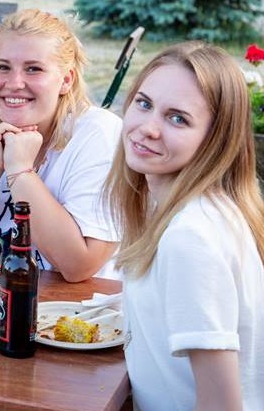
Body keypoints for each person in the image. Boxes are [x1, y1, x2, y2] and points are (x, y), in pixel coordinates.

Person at [106, 43, 264, 410]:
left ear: (215, 140)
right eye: (144, 103)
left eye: (178, 118)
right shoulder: (189, 209)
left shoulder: (189, 238)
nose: (148, 128)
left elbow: (221, 405)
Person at [0, 9, 122, 282]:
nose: (14, 83)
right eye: (2, 67)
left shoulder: (99, 135)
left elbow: (80, 265)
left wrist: (20, 172)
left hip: (78, 312)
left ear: (66, 80)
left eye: (34, 69)